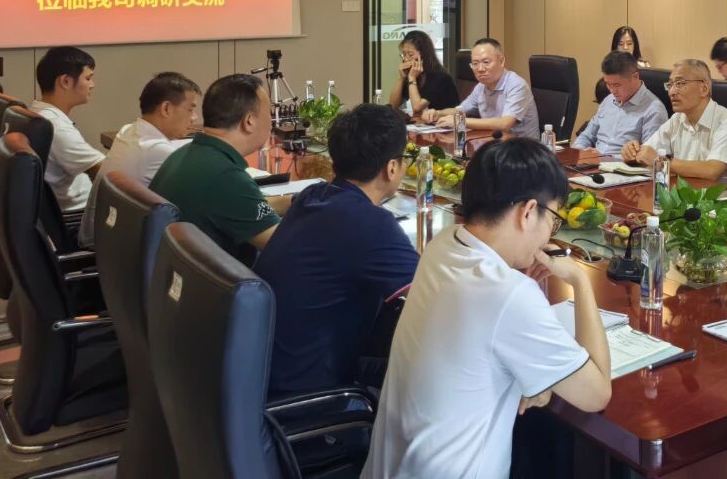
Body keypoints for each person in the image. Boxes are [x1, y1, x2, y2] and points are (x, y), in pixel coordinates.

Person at [361, 139, 612, 479]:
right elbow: (597, 394)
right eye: (553, 220)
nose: (549, 235)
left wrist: (538, 378)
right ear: (528, 212)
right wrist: (580, 282)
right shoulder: (510, 294)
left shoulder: (444, 244)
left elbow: (478, 339)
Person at [255, 104, 419, 393]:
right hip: (307, 388)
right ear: (392, 168)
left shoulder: (313, 195)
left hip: (267, 369)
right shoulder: (371, 224)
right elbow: (433, 292)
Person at [150, 74, 289, 262]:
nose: (272, 123)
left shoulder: (187, 153)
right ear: (249, 121)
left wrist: (295, 202)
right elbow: (288, 248)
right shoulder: (226, 177)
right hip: (215, 279)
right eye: (270, 114)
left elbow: (241, 207)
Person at [78, 72, 201, 248]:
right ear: (166, 108)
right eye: (190, 109)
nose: (195, 117)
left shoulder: (128, 130)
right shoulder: (159, 151)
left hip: (102, 238)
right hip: (108, 250)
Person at [622, 59, 727, 188]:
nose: (672, 92)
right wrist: (633, 152)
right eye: (670, 85)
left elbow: (712, 171)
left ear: (704, 88)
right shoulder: (677, 119)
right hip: (688, 194)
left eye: (680, 83)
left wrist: (661, 161)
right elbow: (648, 153)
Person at [30, 46, 104, 211]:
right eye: (88, 78)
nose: (92, 85)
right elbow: (105, 172)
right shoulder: (55, 126)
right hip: (79, 216)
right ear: (65, 81)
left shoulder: (36, 112)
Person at [422, 38, 540, 140]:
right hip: (493, 143)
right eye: (475, 63)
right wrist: (438, 113)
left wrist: (459, 121)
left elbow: (504, 124)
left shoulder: (516, 85)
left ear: (502, 61)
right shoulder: (481, 87)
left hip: (524, 150)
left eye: (486, 62)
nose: (480, 69)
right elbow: (460, 110)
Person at [573, 52, 667, 155]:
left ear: (635, 77)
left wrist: (604, 157)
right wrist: (579, 151)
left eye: (617, 85)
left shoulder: (654, 110)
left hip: (621, 164)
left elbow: (648, 156)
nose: (612, 90)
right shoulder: (608, 100)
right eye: (608, 84)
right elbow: (586, 136)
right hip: (593, 161)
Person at [388, 30, 458, 114]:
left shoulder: (440, 77)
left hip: (445, 120)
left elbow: (417, 107)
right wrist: (401, 78)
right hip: (422, 120)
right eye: (404, 54)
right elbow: (393, 105)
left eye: (410, 54)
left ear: (424, 55)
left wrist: (412, 78)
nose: (406, 59)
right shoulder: (414, 74)